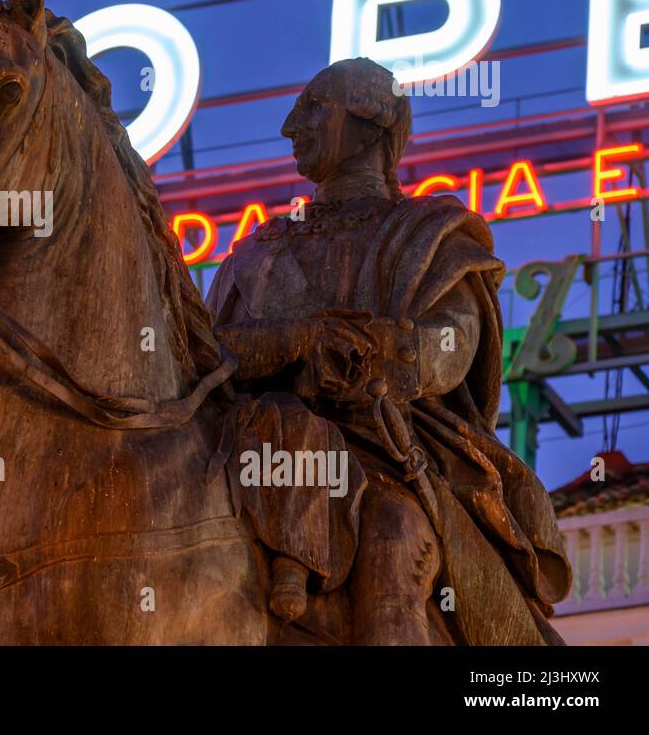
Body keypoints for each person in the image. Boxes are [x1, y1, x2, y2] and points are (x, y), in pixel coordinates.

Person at [206, 57, 570, 644]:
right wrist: (294, 341)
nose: (289, 127)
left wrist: (364, 352)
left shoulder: (430, 235)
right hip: (256, 450)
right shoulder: (252, 254)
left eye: (313, 108)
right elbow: (205, 361)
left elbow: (449, 349)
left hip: (384, 455)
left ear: (370, 123)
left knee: (392, 543)